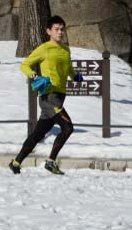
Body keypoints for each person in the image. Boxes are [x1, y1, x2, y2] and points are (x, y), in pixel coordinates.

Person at [9, 15, 83, 175]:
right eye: (56, 29)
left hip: (59, 97)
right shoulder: (44, 48)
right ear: (48, 31)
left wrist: (75, 76)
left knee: (37, 134)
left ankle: (16, 162)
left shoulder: (65, 49)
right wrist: (34, 76)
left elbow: (69, 68)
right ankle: (50, 162)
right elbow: (25, 65)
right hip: (48, 99)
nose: (60, 32)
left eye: (62, 29)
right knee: (68, 128)